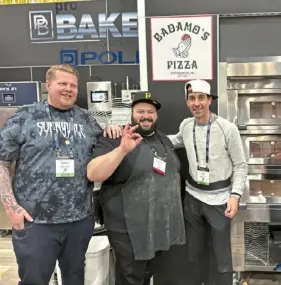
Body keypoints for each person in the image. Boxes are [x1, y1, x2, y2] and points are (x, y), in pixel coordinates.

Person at [0, 64, 121, 285]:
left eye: (73, 85)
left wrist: (111, 129)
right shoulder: (25, 116)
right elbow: (1, 161)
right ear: (48, 85)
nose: (68, 89)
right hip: (36, 221)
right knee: (34, 280)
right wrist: (10, 206)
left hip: (79, 220)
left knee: (75, 278)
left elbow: (102, 152)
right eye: (62, 83)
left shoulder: (86, 119)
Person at [87, 91, 186, 285]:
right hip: (127, 227)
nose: (146, 115)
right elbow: (93, 174)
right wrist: (121, 150)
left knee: (146, 274)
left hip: (156, 224)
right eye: (140, 111)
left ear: (156, 115)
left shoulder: (164, 140)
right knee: (130, 277)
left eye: (150, 111)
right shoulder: (114, 138)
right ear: (131, 113)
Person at [169, 79, 248, 285]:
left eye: (201, 98)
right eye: (192, 98)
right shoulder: (186, 125)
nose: (196, 103)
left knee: (221, 255)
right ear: (187, 102)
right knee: (194, 253)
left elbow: (241, 165)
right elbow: (175, 140)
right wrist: (145, 136)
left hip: (220, 200)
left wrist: (235, 195)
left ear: (209, 100)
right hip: (193, 199)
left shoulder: (227, 129)